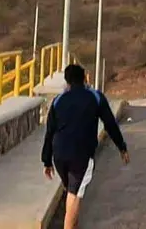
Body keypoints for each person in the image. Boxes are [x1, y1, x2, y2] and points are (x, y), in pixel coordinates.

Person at [42, 64, 129, 229]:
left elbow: (50, 131)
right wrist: (122, 147)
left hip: (59, 155)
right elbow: (110, 124)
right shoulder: (95, 97)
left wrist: (46, 160)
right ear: (84, 78)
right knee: (74, 195)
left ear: (67, 81)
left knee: (72, 192)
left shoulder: (58, 100)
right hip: (81, 155)